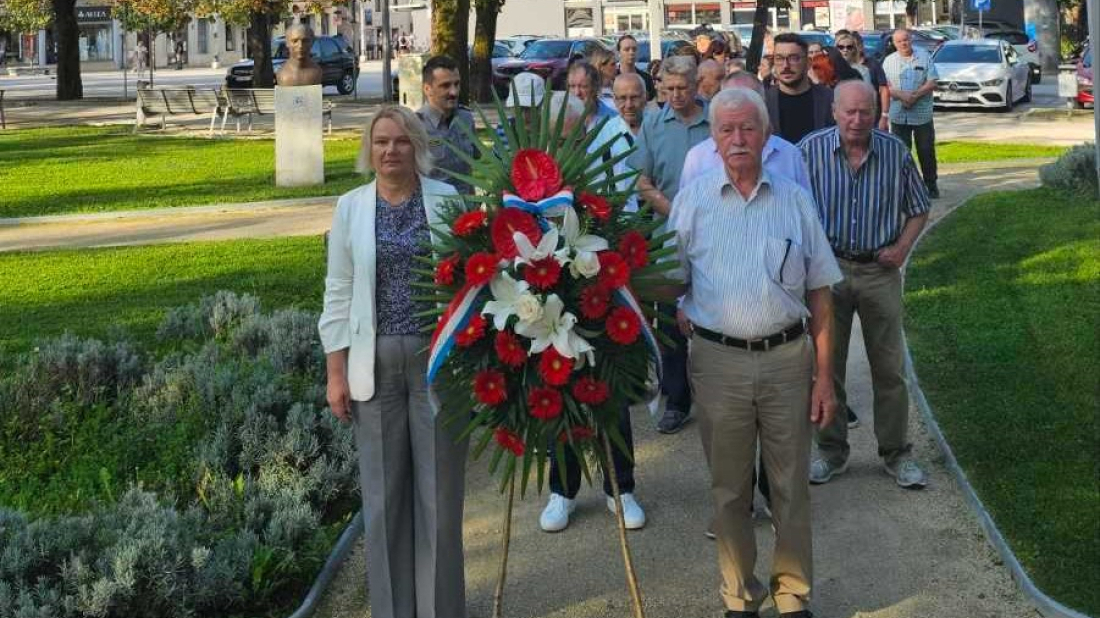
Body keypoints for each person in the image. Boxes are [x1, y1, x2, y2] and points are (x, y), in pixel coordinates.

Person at [671, 86, 841, 618]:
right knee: (729, 490)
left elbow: (820, 291)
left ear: (766, 137)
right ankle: (738, 597)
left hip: (788, 360)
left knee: (790, 488)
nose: (738, 138)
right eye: (727, 130)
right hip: (718, 364)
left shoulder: (794, 199)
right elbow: (668, 278)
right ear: (714, 138)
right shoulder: (693, 200)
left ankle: (793, 597)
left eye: (748, 128)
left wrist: (824, 377)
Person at [319, 105, 469, 618]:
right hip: (372, 363)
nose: (391, 151)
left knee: (439, 499)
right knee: (383, 501)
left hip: (437, 359)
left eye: (402, 141)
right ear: (369, 149)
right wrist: (335, 371)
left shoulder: (448, 202)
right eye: (382, 142)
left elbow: (472, 282)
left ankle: (440, 609)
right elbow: (337, 292)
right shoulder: (351, 208)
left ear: (417, 147)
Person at [799, 80, 931, 490]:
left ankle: (897, 454)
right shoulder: (810, 150)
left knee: (889, 368)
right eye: (849, 112)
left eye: (866, 112)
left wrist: (903, 247)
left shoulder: (894, 152)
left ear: (877, 111)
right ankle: (831, 452)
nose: (857, 120)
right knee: (826, 366)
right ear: (835, 111)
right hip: (828, 273)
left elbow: (919, 208)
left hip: (879, 271)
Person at [540, 92, 645, 533]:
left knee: (610, 395)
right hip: (546, 301)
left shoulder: (604, 160)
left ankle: (620, 488)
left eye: (571, 132)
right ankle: (562, 491)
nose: (564, 142)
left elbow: (625, 217)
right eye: (557, 133)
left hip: (601, 295)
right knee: (557, 395)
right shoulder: (530, 170)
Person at [629, 55, 711, 436]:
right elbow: (641, 180)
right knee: (668, 322)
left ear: (696, 86)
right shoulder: (652, 123)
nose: (675, 96)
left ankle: (717, 393)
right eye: (668, 89)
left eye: (682, 88)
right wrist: (674, 209)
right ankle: (676, 399)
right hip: (667, 236)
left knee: (715, 311)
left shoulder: (715, 120)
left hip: (715, 231)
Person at [882, 28, 940, 198]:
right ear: (894, 43)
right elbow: (884, 86)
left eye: (906, 39)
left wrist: (915, 96)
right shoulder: (888, 61)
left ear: (911, 39)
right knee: (901, 153)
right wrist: (901, 95)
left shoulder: (924, 56)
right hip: (899, 115)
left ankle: (931, 184)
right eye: (899, 41)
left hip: (922, 115)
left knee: (926, 150)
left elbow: (933, 81)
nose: (903, 43)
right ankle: (905, 187)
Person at [416, 55, 478, 197]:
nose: (454, 92)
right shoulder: (415, 126)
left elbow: (471, 167)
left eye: (457, 84)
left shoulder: (466, 118)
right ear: (427, 89)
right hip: (434, 212)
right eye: (445, 86)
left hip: (467, 209)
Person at [765, 33, 834, 144]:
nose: (785, 65)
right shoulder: (763, 102)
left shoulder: (829, 99)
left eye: (793, 58)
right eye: (779, 58)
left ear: (808, 63)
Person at [836, 31, 890, 130]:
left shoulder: (863, 70)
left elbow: (868, 96)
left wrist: (884, 115)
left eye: (849, 47)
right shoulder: (829, 69)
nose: (845, 50)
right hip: (835, 119)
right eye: (841, 47)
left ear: (854, 49)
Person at [566, 61, 619, 133]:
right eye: (572, 86)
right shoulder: (561, 119)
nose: (577, 93)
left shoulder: (613, 120)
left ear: (595, 88)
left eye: (583, 86)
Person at [616, 34, 656, 101]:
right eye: (627, 49)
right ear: (619, 53)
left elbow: (652, 105)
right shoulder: (612, 77)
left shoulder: (646, 78)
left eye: (634, 49)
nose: (631, 52)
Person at [612, 72, 647, 137]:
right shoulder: (605, 134)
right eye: (622, 98)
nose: (629, 105)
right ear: (615, 100)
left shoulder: (660, 127)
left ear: (645, 98)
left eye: (634, 97)